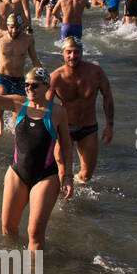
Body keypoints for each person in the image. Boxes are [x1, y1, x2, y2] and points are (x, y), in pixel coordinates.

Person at [0, 67, 73, 251]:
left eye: (34, 85)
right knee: (8, 228)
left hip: (45, 177)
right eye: (27, 85)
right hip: (17, 173)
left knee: (35, 234)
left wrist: (68, 176)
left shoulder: (57, 112)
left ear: (46, 86)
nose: (29, 88)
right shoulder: (19, 103)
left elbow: (66, 146)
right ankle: (13, 269)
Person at [48, 37, 114, 182]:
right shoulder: (55, 78)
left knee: (86, 176)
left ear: (82, 53)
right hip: (65, 128)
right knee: (63, 173)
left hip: (89, 128)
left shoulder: (96, 73)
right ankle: (62, 201)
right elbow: (45, 106)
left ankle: (76, 191)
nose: (73, 56)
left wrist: (109, 125)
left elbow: (107, 96)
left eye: (76, 52)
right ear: (63, 54)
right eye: (69, 52)